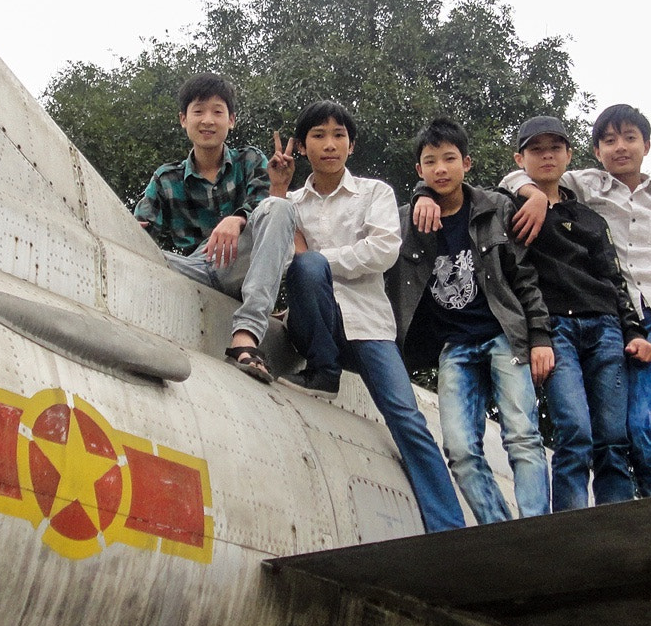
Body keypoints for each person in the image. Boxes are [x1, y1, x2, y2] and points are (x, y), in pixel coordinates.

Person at [475, 104, 651, 496]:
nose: (620, 147)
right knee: (638, 431)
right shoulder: (588, 187)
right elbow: (521, 171)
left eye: (630, 138)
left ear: (647, 145)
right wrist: (533, 195)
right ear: (596, 151)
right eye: (609, 140)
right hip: (630, 320)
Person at [278, 101, 467, 533]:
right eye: (319, 136)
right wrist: (278, 199)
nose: (330, 144)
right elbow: (281, 256)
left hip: (367, 324)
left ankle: (449, 528)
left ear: (351, 143)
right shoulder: (290, 202)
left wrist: (320, 257)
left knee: (407, 417)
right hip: (313, 322)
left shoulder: (375, 193)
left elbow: (383, 250)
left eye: (339, 135)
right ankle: (322, 369)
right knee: (305, 269)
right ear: (304, 146)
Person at [388, 117, 554, 524]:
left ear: (467, 162)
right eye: (431, 162)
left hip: (503, 336)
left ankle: (535, 528)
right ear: (419, 171)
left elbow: (524, 278)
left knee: (522, 438)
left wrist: (540, 338)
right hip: (454, 348)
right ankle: (501, 530)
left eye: (449, 159)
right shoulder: (407, 219)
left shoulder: (495, 208)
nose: (441, 169)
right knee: (460, 452)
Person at [503, 116, 651, 512]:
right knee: (574, 431)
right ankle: (570, 527)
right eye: (536, 149)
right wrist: (538, 337)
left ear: (570, 154)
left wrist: (633, 331)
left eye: (555, 147)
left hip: (604, 326)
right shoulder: (511, 209)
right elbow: (519, 275)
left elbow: (613, 277)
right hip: (556, 329)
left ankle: (614, 523)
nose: (547, 155)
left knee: (613, 436)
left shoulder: (590, 218)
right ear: (520, 158)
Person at [134, 72, 297, 383]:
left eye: (217, 112)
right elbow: (138, 230)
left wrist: (238, 218)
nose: (207, 120)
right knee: (145, 256)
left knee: (282, 207)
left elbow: (269, 214)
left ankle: (245, 339)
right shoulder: (166, 179)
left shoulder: (251, 161)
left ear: (231, 120)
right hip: (195, 266)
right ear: (183, 119)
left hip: (238, 265)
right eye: (198, 111)